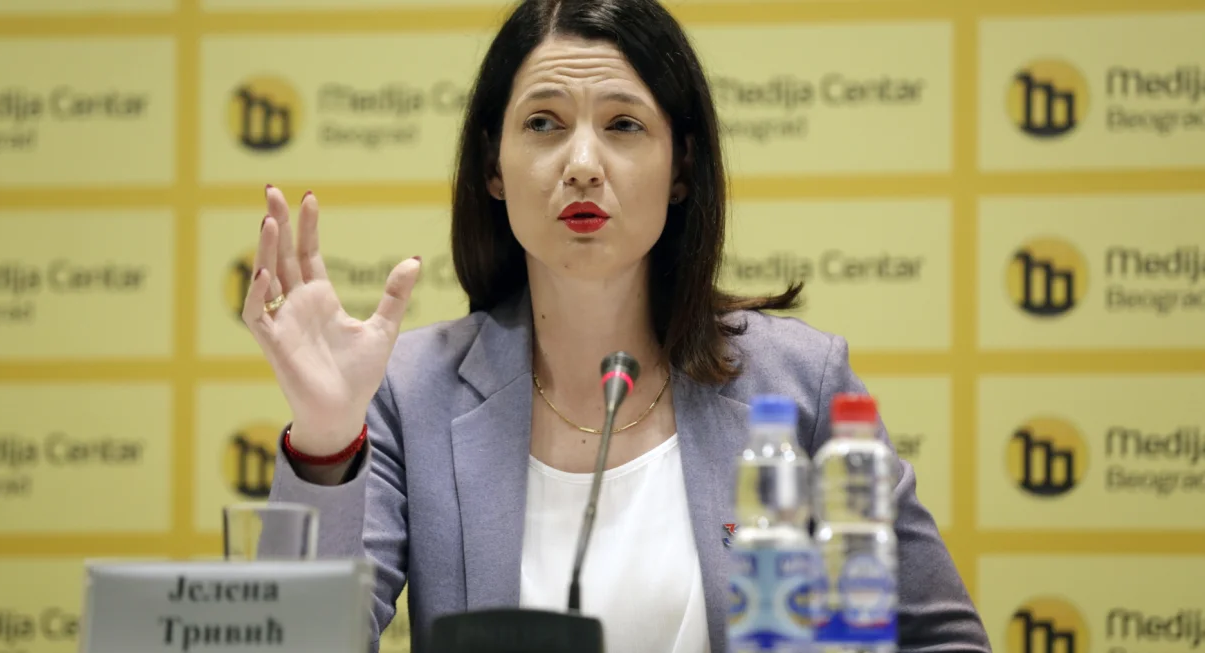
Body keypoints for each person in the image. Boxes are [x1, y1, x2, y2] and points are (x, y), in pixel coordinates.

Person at [245, 0, 992, 651]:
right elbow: (294, 643)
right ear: (493, 166)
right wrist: (325, 437)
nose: (582, 164)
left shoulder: (799, 386)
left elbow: (941, 641)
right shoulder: (409, 393)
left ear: (681, 168)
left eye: (623, 124)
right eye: (543, 123)